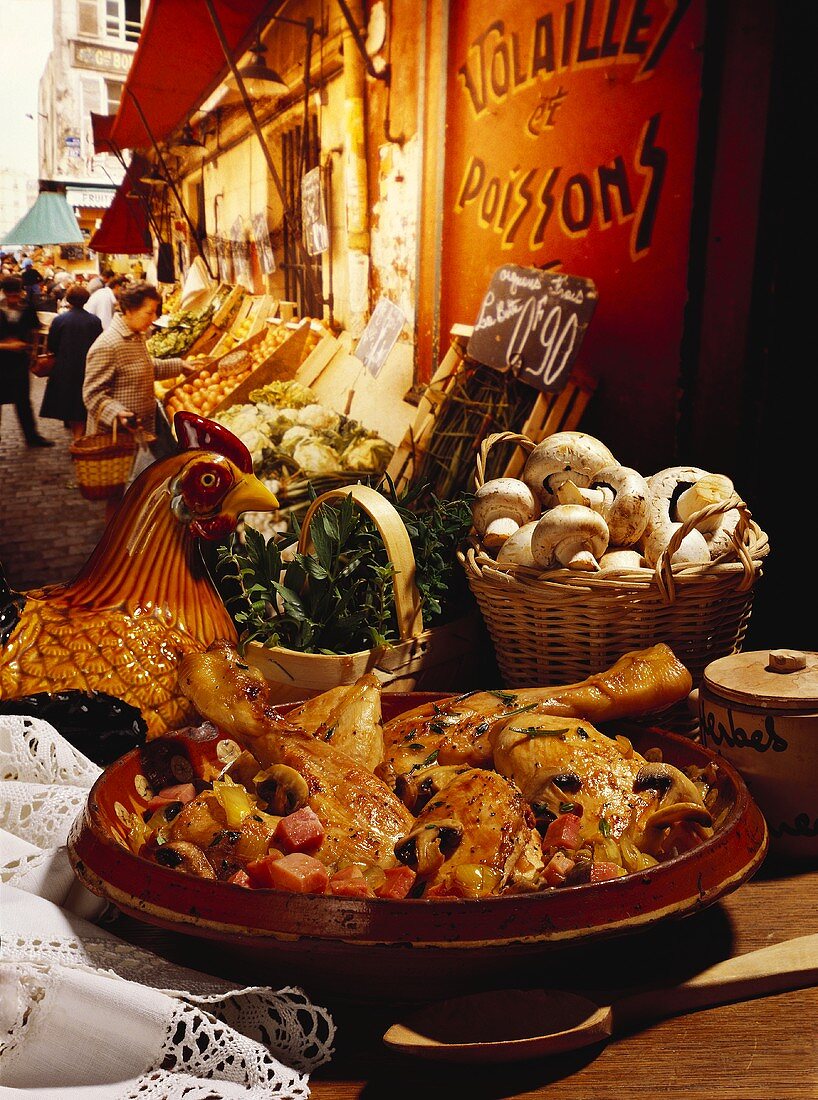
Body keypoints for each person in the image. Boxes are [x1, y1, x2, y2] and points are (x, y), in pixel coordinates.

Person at [83, 280, 188, 520]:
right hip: (119, 437)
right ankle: (114, 547)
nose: (153, 318)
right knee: (119, 496)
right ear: (129, 310)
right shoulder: (108, 345)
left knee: (138, 491)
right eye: (149, 312)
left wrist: (180, 366)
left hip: (141, 431)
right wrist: (118, 412)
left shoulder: (136, 336)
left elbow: (146, 368)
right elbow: (92, 393)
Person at [39, 283, 103, 440]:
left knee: (69, 400)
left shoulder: (60, 320)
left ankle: (76, 436)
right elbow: (99, 344)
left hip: (64, 366)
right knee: (80, 402)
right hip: (87, 366)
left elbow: (52, 345)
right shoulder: (94, 321)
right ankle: (79, 435)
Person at [0, 275, 54, 447]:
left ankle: (31, 436)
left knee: (23, 400)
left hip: (19, 363)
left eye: (16, 295)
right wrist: (7, 345)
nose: (13, 299)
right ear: (4, 293)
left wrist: (32, 348)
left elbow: (34, 329)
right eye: (10, 296)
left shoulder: (27, 308)